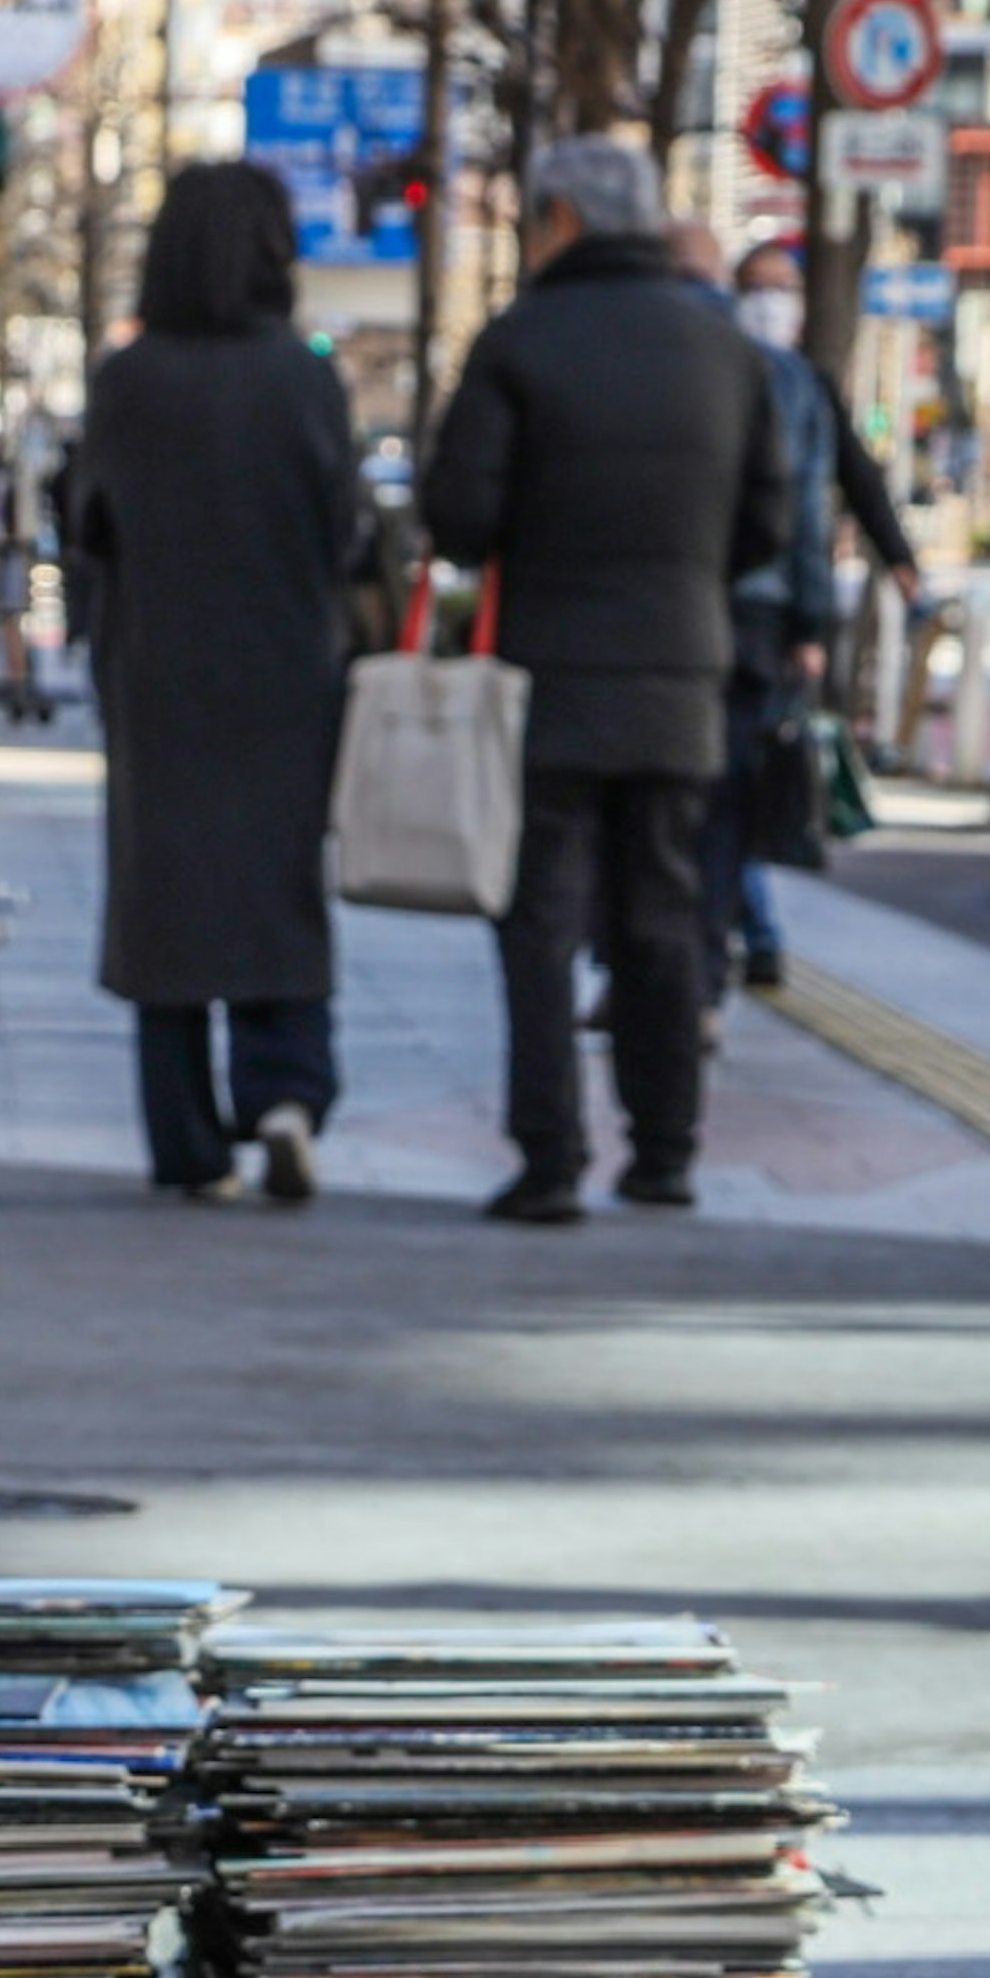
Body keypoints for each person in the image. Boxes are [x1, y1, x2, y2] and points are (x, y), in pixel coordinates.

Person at [421, 133, 785, 1219]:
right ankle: (666, 1152)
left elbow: (461, 518)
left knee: (537, 917)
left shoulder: (520, 342)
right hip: (682, 675)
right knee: (664, 914)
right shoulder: (724, 351)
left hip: (550, 678)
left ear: (561, 222)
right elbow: (767, 524)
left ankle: (551, 1158)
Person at [68, 155, 367, 1202]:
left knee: (168, 903)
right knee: (280, 886)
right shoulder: (305, 376)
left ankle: (191, 1143)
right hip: (288, 669)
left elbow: (87, 524)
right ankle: (287, 1090)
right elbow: (348, 532)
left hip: (159, 671)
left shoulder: (130, 380)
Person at [695, 234, 925, 1003]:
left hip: (755, 614)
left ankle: (728, 945)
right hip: (729, 610)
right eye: (757, 285)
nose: (771, 300)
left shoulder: (800, 384)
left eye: (782, 288)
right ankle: (735, 941)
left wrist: (882, 569)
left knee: (730, 784)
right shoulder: (741, 372)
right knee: (725, 786)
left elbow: (844, 485)